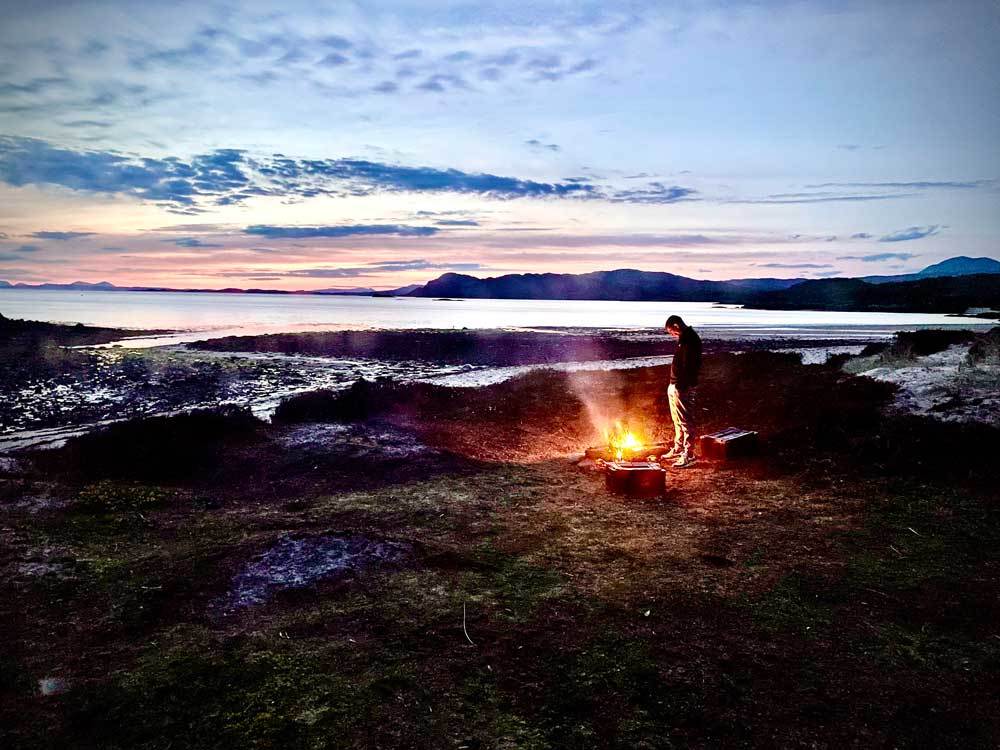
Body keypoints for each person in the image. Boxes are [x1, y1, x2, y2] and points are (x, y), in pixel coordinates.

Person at [661, 314, 702, 467]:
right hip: (675, 385)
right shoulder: (684, 339)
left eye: (671, 331)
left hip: (682, 387)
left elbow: (690, 366)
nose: (672, 335)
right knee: (677, 420)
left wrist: (681, 385)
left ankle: (689, 454)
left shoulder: (691, 340)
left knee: (685, 421)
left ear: (676, 326)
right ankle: (678, 448)